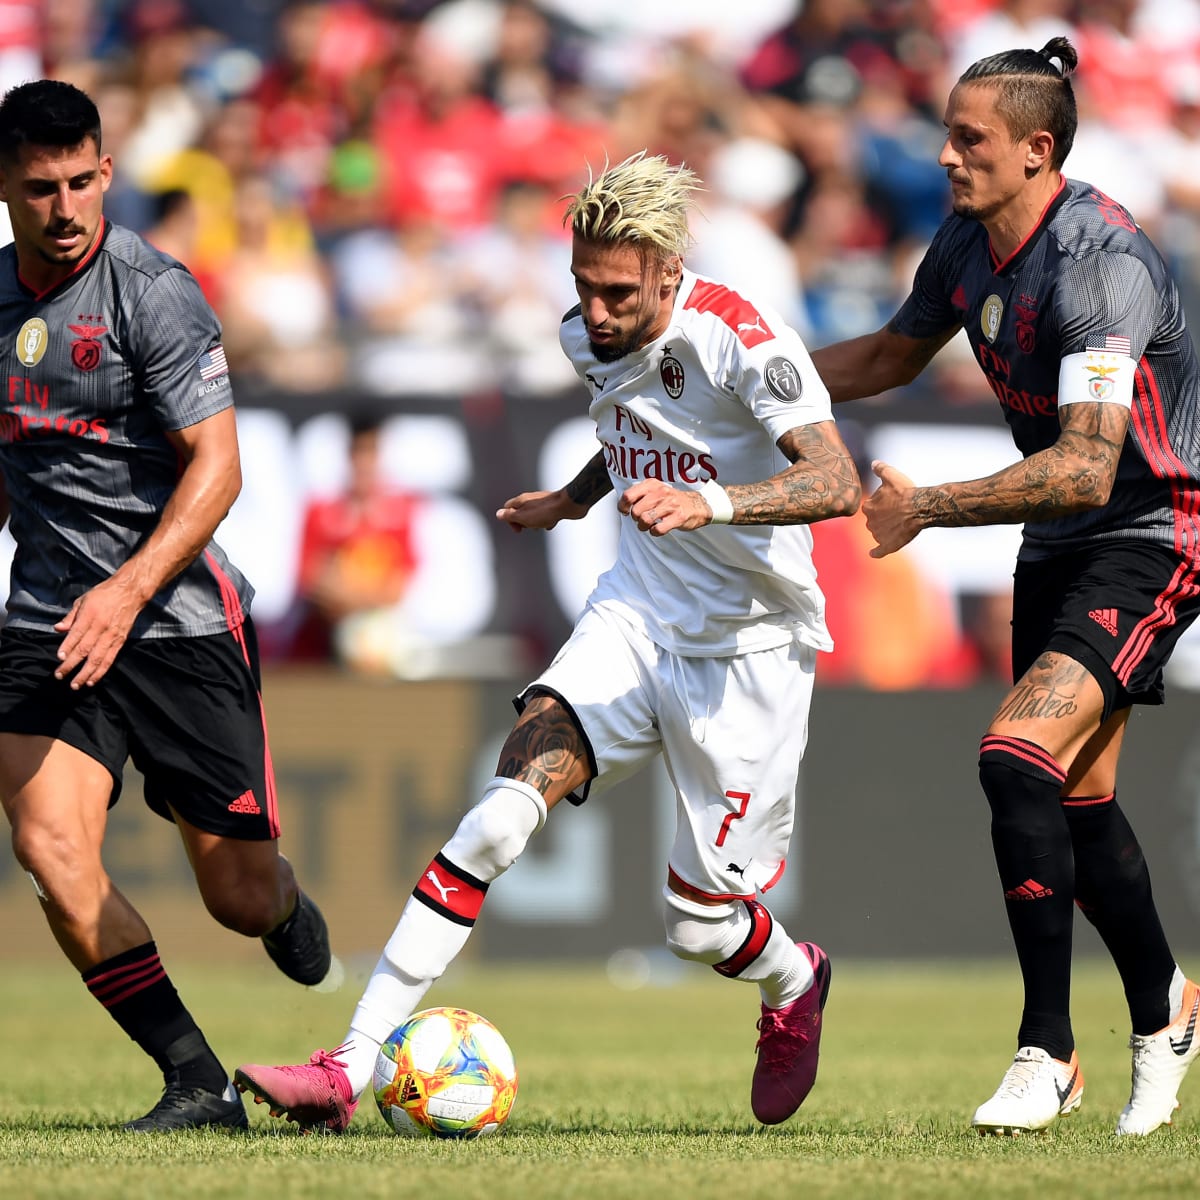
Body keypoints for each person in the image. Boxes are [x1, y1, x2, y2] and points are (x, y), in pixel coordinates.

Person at [234, 150, 861, 1131]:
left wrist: (711, 503)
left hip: (750, 647)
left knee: (699, 926)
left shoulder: (743, 339)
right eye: (583, 286)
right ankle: (347, 1070)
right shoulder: (584, 334)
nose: (595, 313)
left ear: (668, 271)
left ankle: (793, 979)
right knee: (497, 819)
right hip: (635, 616)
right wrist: (574, 497)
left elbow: (836, 481)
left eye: (619, 294)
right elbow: (633, 428)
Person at [808, 37, 1200, 1137]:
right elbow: (889, 357)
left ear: (1037, 149)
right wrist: (749, 378)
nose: (944, 156)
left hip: (1152, 533)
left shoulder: (1101, 263)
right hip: (1057, 539)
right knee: (1076, 801)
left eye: (968, 139)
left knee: (1014, 754)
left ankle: (1047, 1050)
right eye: (947, 134)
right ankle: (1167, 1007)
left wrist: (927, 507)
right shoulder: (966, 240)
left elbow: (1085, 466)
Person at [0, 80, 333, 1132]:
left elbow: (218, 468)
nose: (65, 207)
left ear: (106, 172)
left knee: (237, 898)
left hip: (177, 622)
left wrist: (125, 589)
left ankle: (281, 900)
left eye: (80, 181)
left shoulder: (153, 293)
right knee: (51, 848)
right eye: (41, 188)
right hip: (48, 623)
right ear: (5, 187)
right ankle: (195, 1080)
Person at [288, 410, 422, 664]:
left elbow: (398, 586)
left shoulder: (400, 514)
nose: (364, 462)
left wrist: (352, 593)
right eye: (358, 451)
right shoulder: (321, 512)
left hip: (375, 650)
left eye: (371, 451)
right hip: (320, 649)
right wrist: (365, 595)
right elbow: (312, 580)